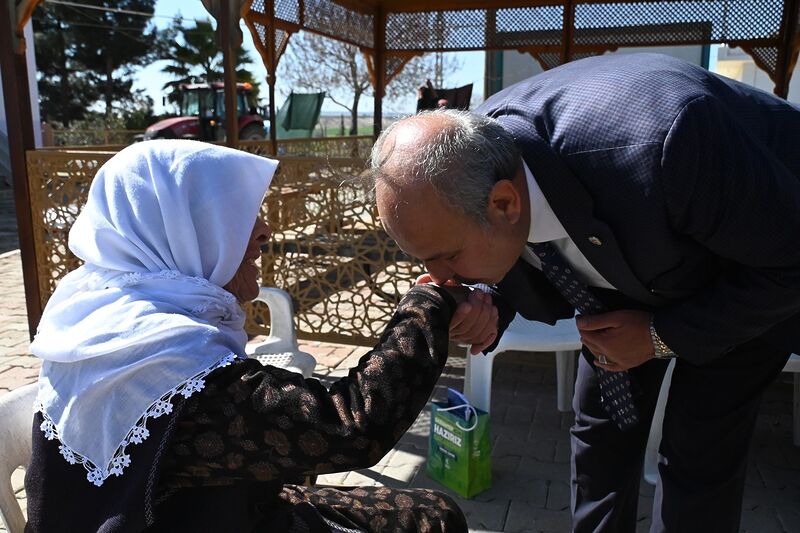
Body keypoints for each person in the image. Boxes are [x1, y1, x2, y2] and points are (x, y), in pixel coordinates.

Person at [369, 53, 800, 532]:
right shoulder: (481, 158)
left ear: (505, 203)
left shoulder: (665, 142)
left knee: (697, 443)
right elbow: (514, 243)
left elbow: (791, 260)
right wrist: (488, 303)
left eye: (446, 255)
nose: (440, 276)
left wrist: (661, 336)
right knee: (602, 427)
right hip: (638, 248)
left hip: (750, 267)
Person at [25, 140, 468, 533]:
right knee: (434, 518)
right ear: (181, 233)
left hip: (210, 509)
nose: (264, 229)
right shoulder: (170, 364)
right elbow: (352, 425)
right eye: (235, 216)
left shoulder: (100, 314)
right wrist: (429, 300)